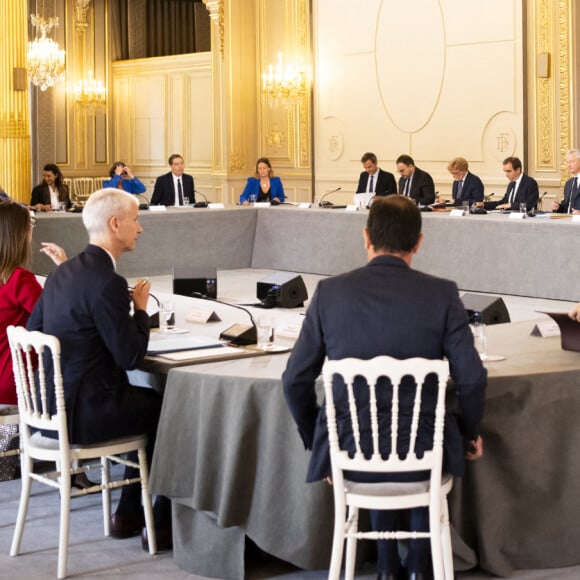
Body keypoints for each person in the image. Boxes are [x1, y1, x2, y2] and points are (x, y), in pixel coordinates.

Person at [282, 195, 486, 580]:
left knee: (369, 425)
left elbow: (294, 380)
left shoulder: (329, 293)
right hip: (426, 451)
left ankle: (388, 568)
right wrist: (472, 432)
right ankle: (420, 569)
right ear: (419, 242)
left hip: (350, 452)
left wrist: (322, 444)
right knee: (421, 438)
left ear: (365, 237)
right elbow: (472, 377)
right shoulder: (442, 294)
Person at [27, 188, 172, 549]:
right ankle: (160, 518)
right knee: (168, 409)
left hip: (48, 411)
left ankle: (127, 512)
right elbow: (130, 358)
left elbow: (33, 331)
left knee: (142, 403)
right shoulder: (108, 282)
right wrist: (140, 312)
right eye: (136, 220)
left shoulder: (63, 274)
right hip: (88, 414)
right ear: (115, 223)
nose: (140, 228)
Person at [0, 201, 67, 406]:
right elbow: (58, 317)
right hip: (18, 383)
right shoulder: (19, 279)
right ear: (21, 233)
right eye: (31, 224)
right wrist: (64, 268)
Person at [552, 149, 580, 214]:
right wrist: (558, 207)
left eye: (572, 161)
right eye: (567, 162)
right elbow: (566, 207)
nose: (569, 165)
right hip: (566, 221)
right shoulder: (569, 183)